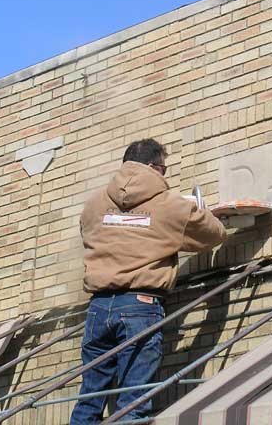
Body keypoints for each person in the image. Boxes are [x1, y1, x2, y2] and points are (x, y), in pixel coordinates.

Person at [70, 138, 227, 424]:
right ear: (155, 168)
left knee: (89, 400)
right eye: (164, 170)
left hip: (98, 309)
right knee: (135, 403)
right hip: (140, 307)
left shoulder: (93, 205)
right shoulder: (171, 205)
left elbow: (91, 235)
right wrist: (201, 212)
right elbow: (213, 235)